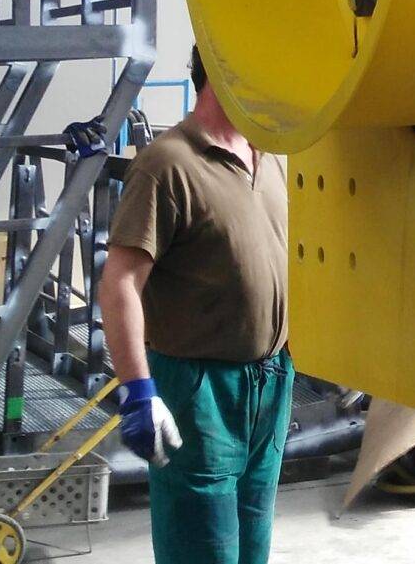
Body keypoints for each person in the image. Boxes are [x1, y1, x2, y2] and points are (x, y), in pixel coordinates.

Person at [98, 48, 292, 564]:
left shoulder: (271, 157)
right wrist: (138, 391)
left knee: (253, 546)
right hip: (199, 389)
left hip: (271, 381)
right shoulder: (167, 164)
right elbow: (119, 284)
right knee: (202, 548)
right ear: (222, 75)